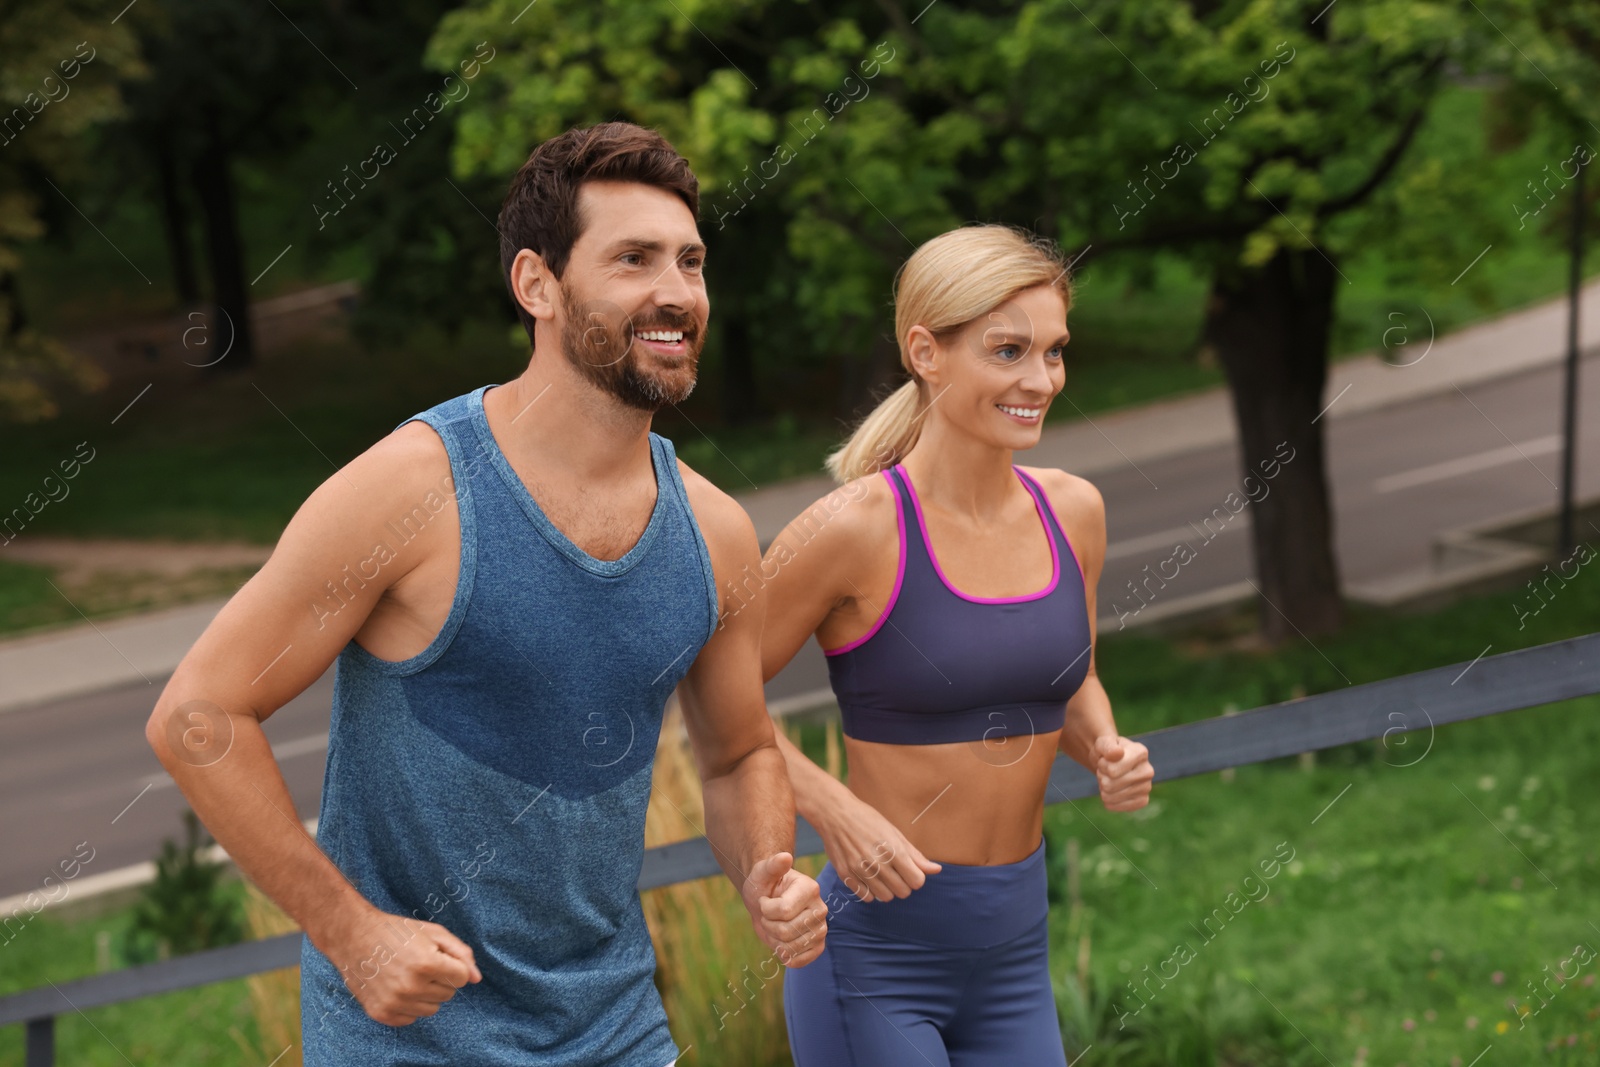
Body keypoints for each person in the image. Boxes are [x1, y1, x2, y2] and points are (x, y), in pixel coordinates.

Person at [144, 121, 827, 1067]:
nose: (676, 292)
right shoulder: (413, 492)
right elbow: (197, 713)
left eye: (691, 261)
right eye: (633, 259)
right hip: (406, 1045)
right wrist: (352, 934)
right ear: (537, 285)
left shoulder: (714, 534)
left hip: (620, 1030)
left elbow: (739, 751)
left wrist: (762, 870)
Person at [758, 224, 1155, 1065]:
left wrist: (1107, 744)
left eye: (1053, 352)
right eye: (1008, 350)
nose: (1040, 379)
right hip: (874, 957)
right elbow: (708, 696)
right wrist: (834, 809)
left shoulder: (1072, 511)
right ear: (925, 351)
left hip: (1014, 949)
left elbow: (1067, 678)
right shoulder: (854, 529)